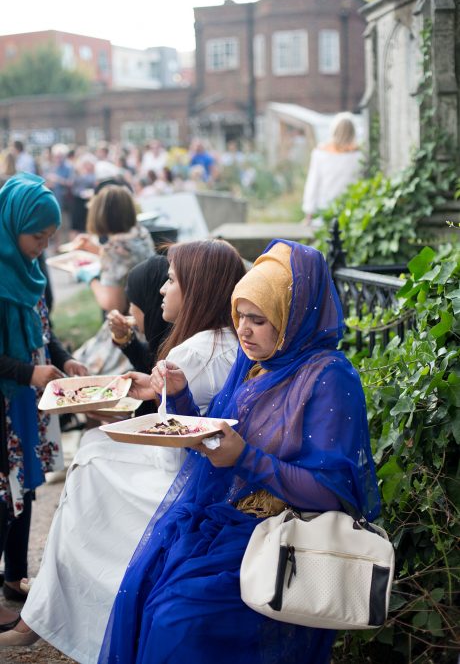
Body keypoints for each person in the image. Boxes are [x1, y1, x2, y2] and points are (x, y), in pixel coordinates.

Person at [97, 239, 381, 664]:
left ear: (293, 316)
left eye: (258, 319)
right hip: (227, 521)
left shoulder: (328, 377)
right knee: (146, 591)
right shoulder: (256, 364)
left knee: (178, 619)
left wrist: (245, 458)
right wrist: (180, 398)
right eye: (240, 316)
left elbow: (332, 492)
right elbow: (213, 442)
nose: (243, 330)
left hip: (283, 538)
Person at [1, 240, 246, 662]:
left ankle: (58, 616)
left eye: (172, 280)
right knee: (94, 451)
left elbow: (174, 445)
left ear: (199, 289)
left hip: (189, 483)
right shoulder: (223, 340)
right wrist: (145, 395)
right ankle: (43, 613)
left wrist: (123, 419)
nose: (164, 291)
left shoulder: (192, 351)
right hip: (212, 472)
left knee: (91, 458)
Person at [0, 174, 87, 622]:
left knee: (26, 487)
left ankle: (15, 575)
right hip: (5, 402)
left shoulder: (30, 271)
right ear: (12, 224)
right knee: (1, 493)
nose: (43, 246)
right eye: (37, 236)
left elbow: (44, 331)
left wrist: (65, 359)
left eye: (50, 238)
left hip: (26, 404)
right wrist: (28, 372)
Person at [72, 184, 155, 374]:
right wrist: (95, 250)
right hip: (147, 321)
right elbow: (127, 259)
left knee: (82, 369)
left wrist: (89, 277)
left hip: (127, 326)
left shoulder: (114, 249)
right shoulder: (140, 233)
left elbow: (111, 303)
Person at [107, 254, 170, 415]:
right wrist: (123, 337)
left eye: (133, 301)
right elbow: (149, 362)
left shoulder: (177, 346)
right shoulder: (165, 336)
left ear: (150, 302)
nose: (129, 310)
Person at [302, 112, 361, 226]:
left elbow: (313, 184)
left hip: (324, 213)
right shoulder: (359, 156)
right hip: (352, 214)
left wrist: (308, 215)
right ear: (353, 132)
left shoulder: (320, 154)